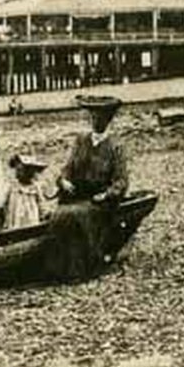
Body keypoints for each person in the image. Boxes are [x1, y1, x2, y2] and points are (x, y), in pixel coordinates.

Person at [47, 95, 129, 279]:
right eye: (93, 116)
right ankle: (59, 268)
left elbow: (121, 181)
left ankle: (82, 268)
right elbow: (67, 169)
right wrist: (64, 181)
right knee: (60, 215)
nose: (95, 121)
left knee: (71, 215)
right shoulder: (81, 141)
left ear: (108, 119)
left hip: (99, 201)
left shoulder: (115, 146)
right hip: (76, 195)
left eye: (100, 117)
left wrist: (107, 195)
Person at [4, 154, 48, 228]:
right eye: (17, 170)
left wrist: (44, 213)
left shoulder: (35, 187)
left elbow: (41, 202)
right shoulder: (12, 186)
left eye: (21, 170)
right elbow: (5, 201)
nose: (17, 173)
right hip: (16, 219)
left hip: (31, 219)